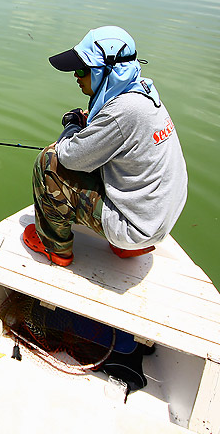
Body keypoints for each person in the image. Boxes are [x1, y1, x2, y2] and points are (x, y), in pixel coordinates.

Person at [23, 26, 187, 266]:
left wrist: (71, 126)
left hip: (136, 229)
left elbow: (68, 156)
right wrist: (88, 123)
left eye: (82, 70)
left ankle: (54, 248)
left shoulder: (122, 112)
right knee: (98, 157)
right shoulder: (143, 93)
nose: (76, 76)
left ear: (106, 71)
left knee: (48, 161)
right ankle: (127, 246)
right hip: (158, 219)